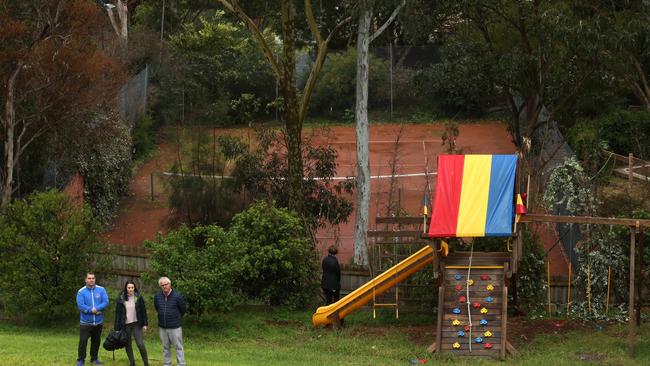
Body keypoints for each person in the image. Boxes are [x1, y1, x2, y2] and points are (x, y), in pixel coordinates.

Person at [76, 272, 109, 366]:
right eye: (89, 278)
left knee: (96, 342)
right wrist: (92, 310)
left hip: (98, 322)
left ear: (95, 279)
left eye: (93, 278)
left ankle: (94, 359)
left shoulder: (101, 290)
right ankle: (81, 360)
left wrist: (97, 309)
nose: (91, 280)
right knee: (83, 342)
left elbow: (106, 302)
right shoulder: (81, 292)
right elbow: (81, 306)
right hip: (85, 323)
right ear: (86, 280)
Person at [154, 277, 187, 366]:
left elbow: (183, 309)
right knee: (165, 347)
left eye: (166, 284)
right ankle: (167, 364)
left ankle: (181, 364)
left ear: (170, 284)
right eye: (162, 285)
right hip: (162, 327)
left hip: (175, 327)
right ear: (160, 286)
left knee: (178, 347)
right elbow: (157, 308)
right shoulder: (157, 296)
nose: (164, 286)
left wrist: (175, 318)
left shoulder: (178, 296)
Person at [115, 280, 149, 366]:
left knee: (140, 344)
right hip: (125, 325)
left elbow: (143, 311)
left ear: (134, 288)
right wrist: (116, 328)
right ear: (126, 288)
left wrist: (145, 324)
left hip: (136, 324)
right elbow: (118, 314)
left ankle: (146, 363)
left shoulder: (139, 297)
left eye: (132, 287)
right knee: (128, 344)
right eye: (129, 287)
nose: (131, 289)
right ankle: (132, 362)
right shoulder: (121, 298)